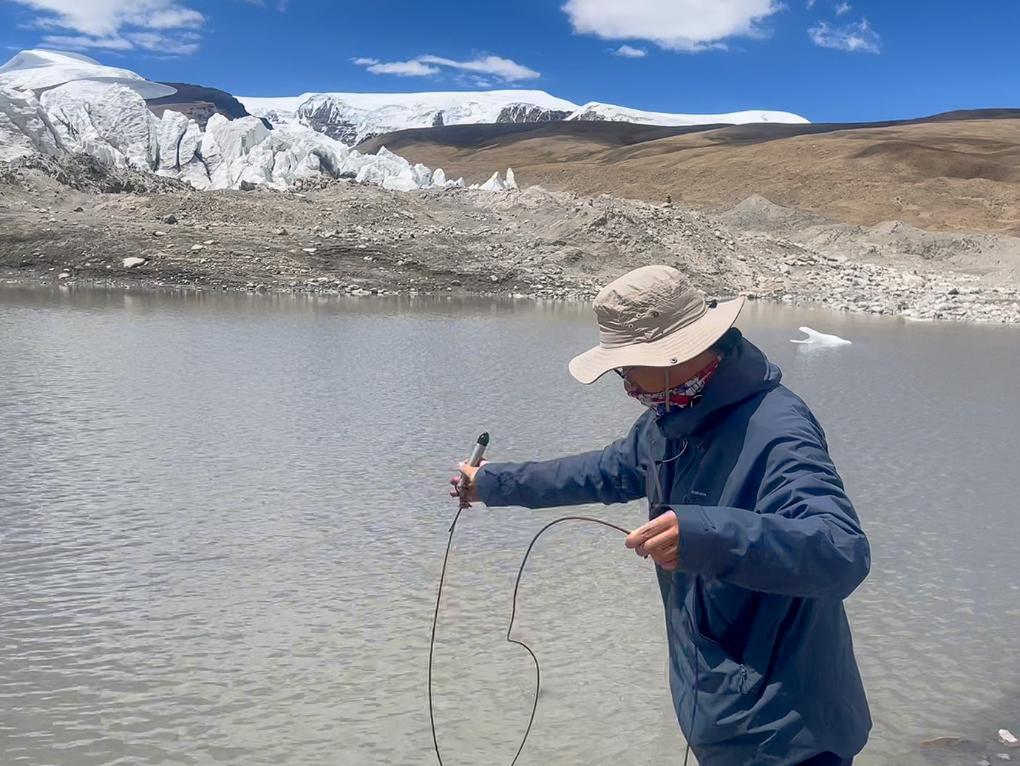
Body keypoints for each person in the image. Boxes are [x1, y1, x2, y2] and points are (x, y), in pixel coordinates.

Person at [452, 265, 871, 766]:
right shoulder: (669, 421)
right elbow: (599, 472)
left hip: (789, 734)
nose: (626, 383)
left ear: (678, 353)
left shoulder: (777, 428)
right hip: (723, 716)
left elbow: (840, 551)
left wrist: (703, 537)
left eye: (629, 366)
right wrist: (493, 484)